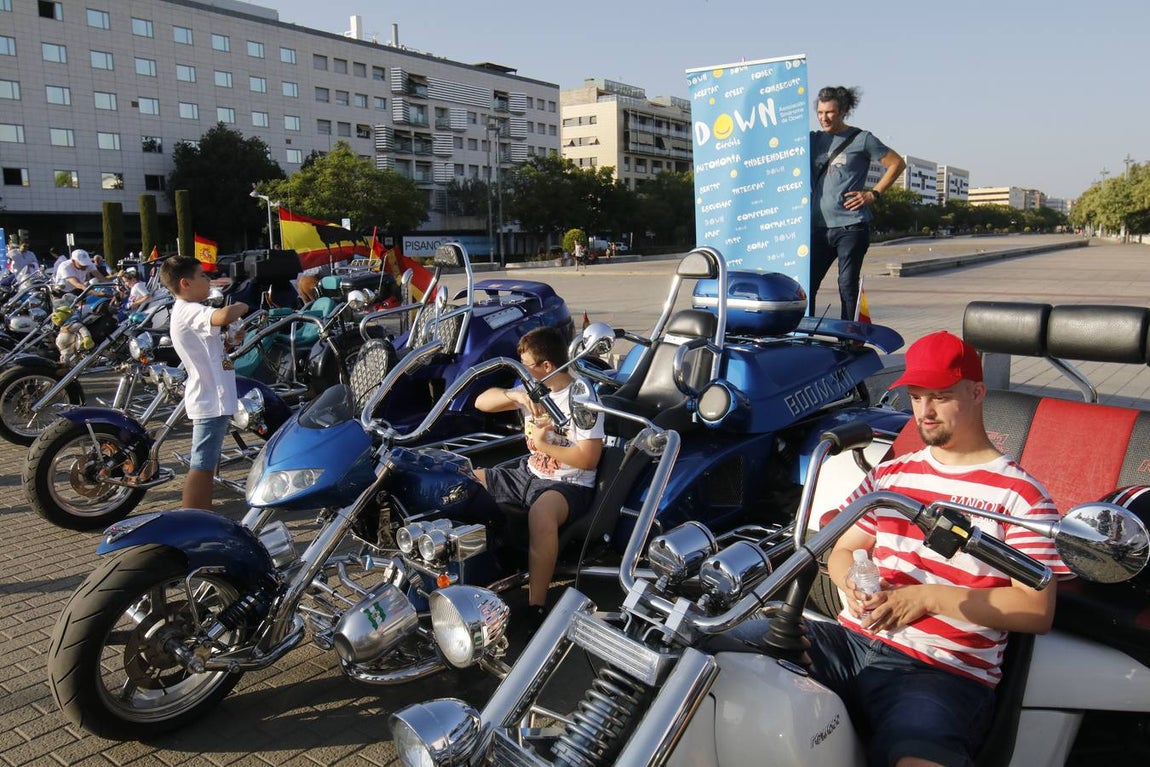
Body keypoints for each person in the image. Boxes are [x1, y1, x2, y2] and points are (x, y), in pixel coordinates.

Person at [805, 330, 1070, 767]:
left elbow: (1036, 610)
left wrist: (926, 597)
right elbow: (843, 548)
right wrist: (847, 580)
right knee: (727, 656)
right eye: (915, 396)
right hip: (850, 640)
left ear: (978, 392)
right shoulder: (891, 475)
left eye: (941, 397)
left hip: (941, 670)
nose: (924, 412)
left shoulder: (1021, 497)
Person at [473, 326, 605, 627]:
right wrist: (515, 395)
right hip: (527, 473)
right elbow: (481, 401)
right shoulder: (533, 389)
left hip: (568, 484)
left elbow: (588, 458)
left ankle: (536, 605)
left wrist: (545, 444)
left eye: (527, 366)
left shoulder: (581, 398)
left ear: (547, 366)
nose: (524, 373)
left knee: (541, 515)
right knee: (463, 482)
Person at [808, 86, 906, 321]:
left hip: (851, 227)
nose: (824, 118)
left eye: (830, 112)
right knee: (807, 284)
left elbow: (897, 164)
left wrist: (873, 194)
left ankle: (849, 340)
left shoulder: (862, 139)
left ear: (842, 111)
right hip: (819, 228)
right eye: (820, 113)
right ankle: (804, 335)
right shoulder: (813, 140)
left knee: (847, 284)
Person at [160, 256, 248, 510]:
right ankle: (195, 516)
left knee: (206, 462)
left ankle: (200, 512)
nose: (208, 280)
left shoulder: (191, 310)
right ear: (185, 283)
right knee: (202, 463)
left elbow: (215, 347)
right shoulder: (190, 310)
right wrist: (242, 304)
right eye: (203, 276)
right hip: (209, 397)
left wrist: (231, 341)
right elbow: (223, 316)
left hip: (215, 395)